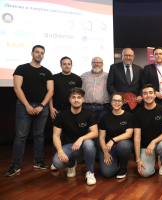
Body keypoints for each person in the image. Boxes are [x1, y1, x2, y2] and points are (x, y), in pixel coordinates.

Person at [5, 45, 54, 177]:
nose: (39, 54)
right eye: (37, 52)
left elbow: (51, 91)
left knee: (39, 135)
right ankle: (15, 165)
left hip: (41, 107)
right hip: (23, 106)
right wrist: (27, 105)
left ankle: (38, 161)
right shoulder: (21, 68)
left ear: (43, 55)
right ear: (32, 53)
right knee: (21, 136)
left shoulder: (47, 72)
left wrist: (42, 106)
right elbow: (17, 88)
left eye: (42, 53)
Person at [52, 87, 98, 185]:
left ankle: (90, 172)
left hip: (83, 146)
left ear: (83, 99)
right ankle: (72, 164)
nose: (76, 100)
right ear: (69, 99)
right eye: (73, 97)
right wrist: (60, 152)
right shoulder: (61, 115)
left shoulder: (88, 114)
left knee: (89, 143)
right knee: (57, 163)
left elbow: (95, 133)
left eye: (79, 97)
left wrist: (81, 139)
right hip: (68, 147)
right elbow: (56, 136)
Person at [49, 56, 82, 170]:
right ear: (60, 66)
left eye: (68, 64)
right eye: (64, 64)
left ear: (71, 65)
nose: (66, 66)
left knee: (70, 135)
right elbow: (50, 94)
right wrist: (51, 108)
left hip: (72, 112)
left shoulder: (77, 78)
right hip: (57, 111)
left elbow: (79, 96)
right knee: (57, 136)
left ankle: (71, 159)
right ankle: (57, 157)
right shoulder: (54, 78)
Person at [134, 84, 162, 177]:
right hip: (146, 147)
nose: (148, 95)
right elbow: (137, 137)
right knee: (145, 173)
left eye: (150, 93)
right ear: (142, 96)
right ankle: (153, 158)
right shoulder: (138, 114)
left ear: (155, 95)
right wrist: (138, 160)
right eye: (145, 93)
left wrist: (154, 141)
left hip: (160, 143)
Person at [81, 57, 110, 161]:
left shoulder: (108, 76)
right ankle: (86, 155)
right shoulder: (84, 76)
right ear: (91, 63)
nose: (96, 64)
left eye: (98, 62)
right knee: (87, 132)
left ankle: (98, 155)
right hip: (86, 107)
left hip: (103, 108)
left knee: (100, 132)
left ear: (102, 64)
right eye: (94, 62)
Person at [99, 92, 134, 179]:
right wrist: (106, 153)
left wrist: (113, 140)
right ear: (111, 102)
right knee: (108, 173)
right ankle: (115, 162)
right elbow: (101, 137)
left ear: (123, 102)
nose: (117, 103)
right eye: (114, 100)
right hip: (108, 147)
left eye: (119, 101)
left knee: (123, 145)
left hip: (123, 145)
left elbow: (129, 134)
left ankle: (123, 167)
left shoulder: (129, 116)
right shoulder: (105, 117)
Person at [107, 48, 143, 113]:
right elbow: (110, 85)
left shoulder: (139, 69)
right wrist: (118, 98)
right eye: (126, 55)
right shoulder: (114, 67)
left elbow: (142, 85)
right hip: (119, 105)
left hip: (135, 105)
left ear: (133, 56)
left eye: (130, 56)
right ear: (122, 55)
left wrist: (140, 95)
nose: (128, 57)